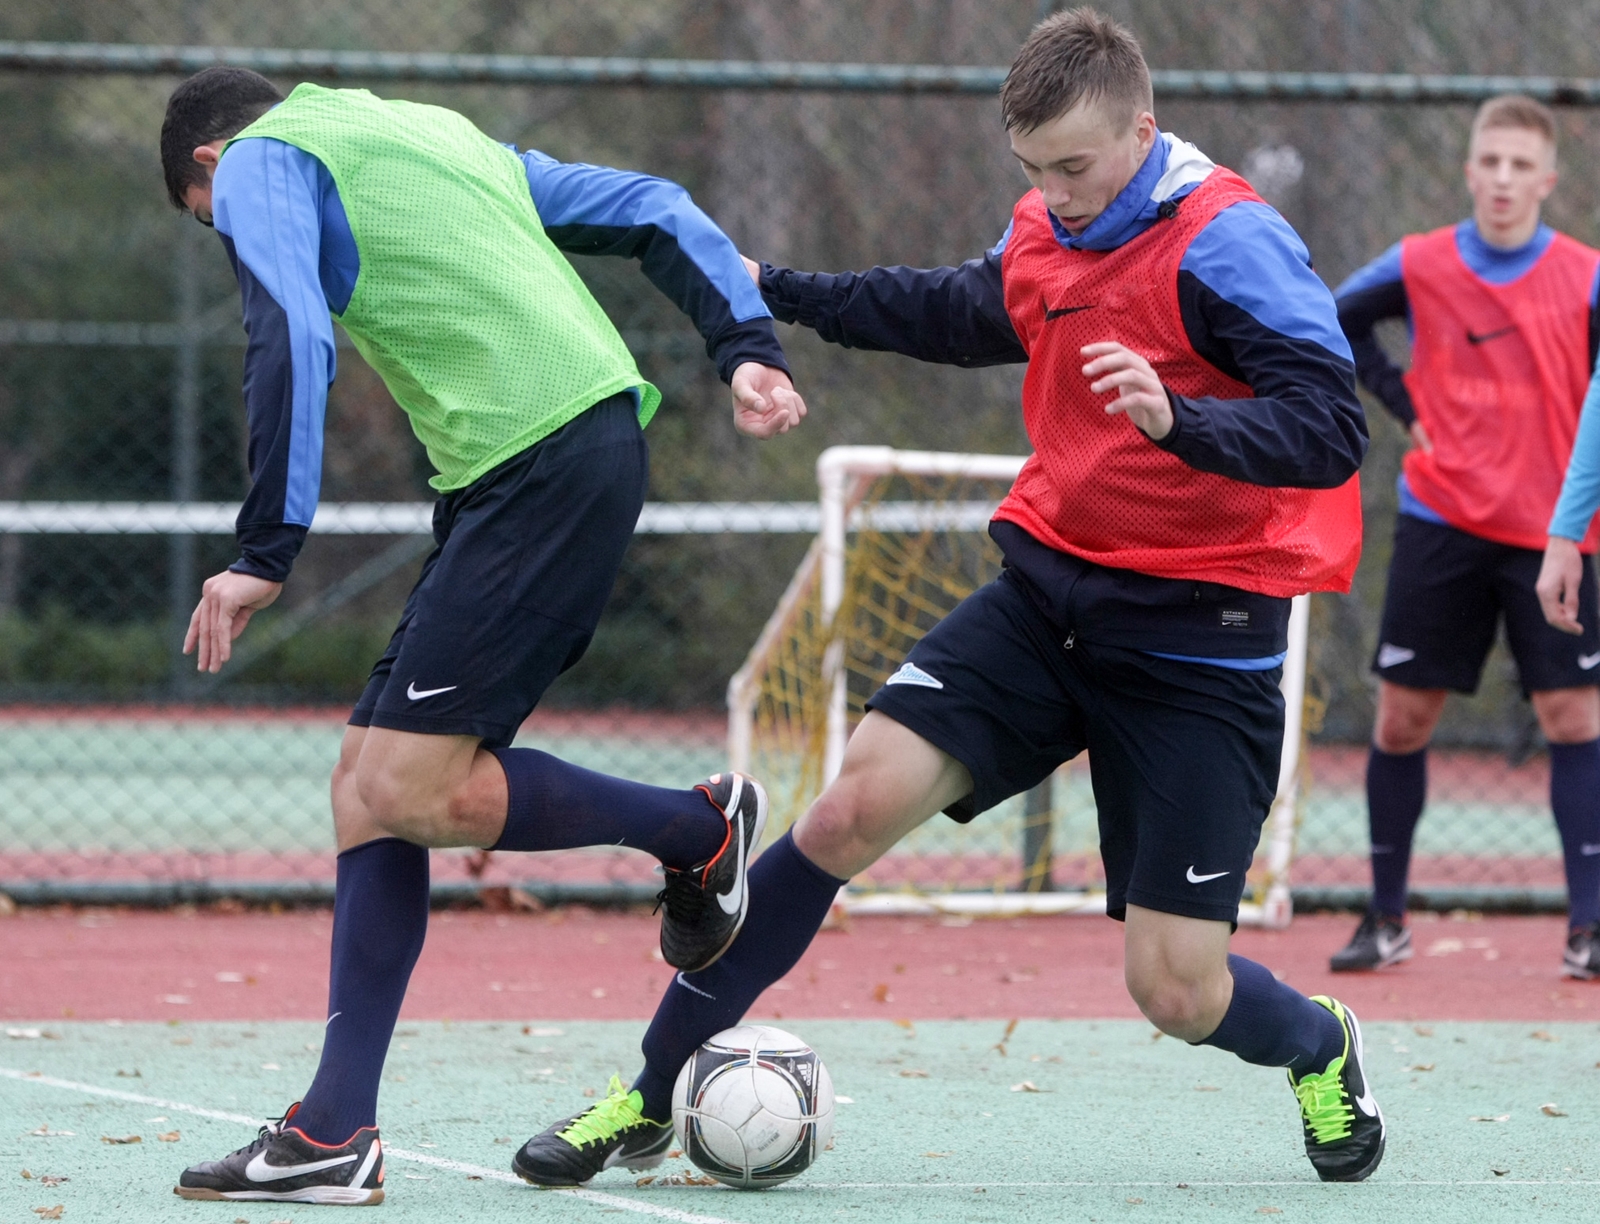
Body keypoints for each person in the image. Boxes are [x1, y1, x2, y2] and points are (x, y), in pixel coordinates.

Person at [516, 7, 1383, 1188]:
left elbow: (1332, 428)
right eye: (1032, 170)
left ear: (1143, 125)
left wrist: (1183, 419)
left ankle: (1317, 1043)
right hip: (1046, 601)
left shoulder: (1228, 243)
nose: (1055, 193)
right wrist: (778, 290)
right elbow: (961, 309)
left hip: (1200, 638)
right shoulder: (1048, 221)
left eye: (1075, 166)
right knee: (840, 814)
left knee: (1176, 990)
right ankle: (647, 1093)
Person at [157, 66, 806, 1205]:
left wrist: (265, 550)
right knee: (367, 786)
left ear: (209, 165)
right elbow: (654, 204)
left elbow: (289, 334)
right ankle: (332, 1132)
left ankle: (696, 830)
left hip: (540, 464)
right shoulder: (425, 133)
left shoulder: (261, 158)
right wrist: (744, 340)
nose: (235, 243)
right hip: (534, 465)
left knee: (408, 785)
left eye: (213, 229)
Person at [1330, 95, 1600, 980]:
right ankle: (1385, 918)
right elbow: (1336, 318)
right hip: (1441, 520)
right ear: (1469, 170)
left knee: (1574, 718)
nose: (1504, 179)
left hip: (1555, 533)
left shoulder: (1587, 276)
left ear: (1549, 180)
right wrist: (1406, 406)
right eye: (1490, 161)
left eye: (1522, 165)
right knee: (1403, 720)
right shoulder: (1422, 262)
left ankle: (1587, 929)